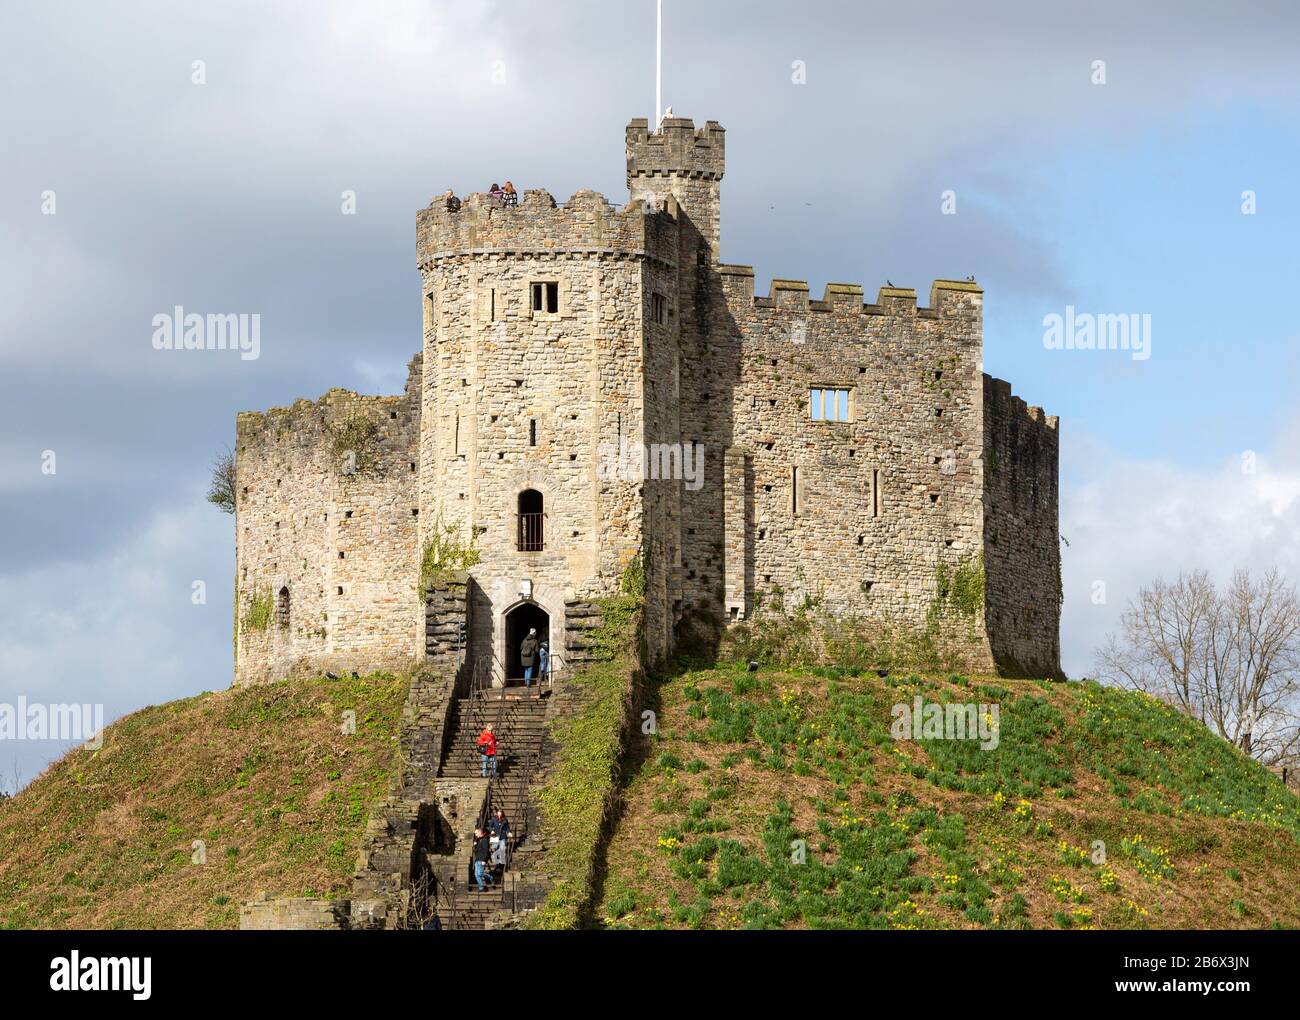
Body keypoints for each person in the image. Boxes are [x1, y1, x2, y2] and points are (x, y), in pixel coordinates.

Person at [471, 827, 493, 892]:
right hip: (477, 859)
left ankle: (490, 877)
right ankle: (481, 887)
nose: (475, 834)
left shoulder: (485, 840)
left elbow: (486, 851)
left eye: (476, 833)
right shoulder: (478, 840)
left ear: (480, 832)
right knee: (476, 874)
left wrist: (484, 860)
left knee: (480, 874)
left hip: (481, 859)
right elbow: (475, 850)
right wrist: (475, 845)